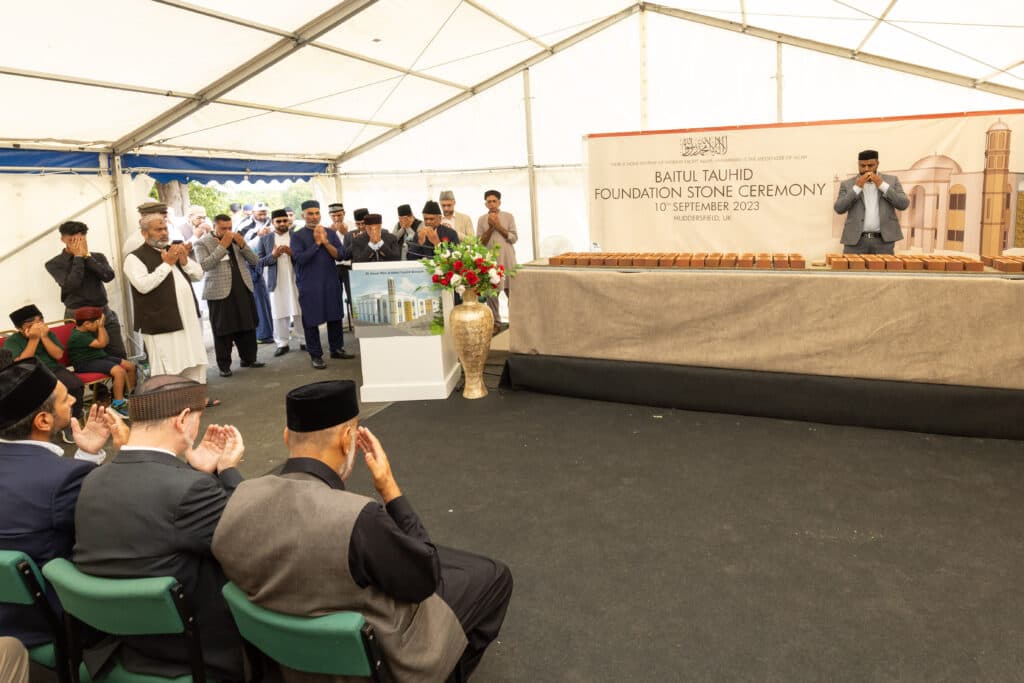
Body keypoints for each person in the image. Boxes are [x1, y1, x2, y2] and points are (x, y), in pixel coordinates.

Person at [212, 380, 513, 682]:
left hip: (284, 662)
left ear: (287, 436)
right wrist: (389, 489)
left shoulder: (238, 500)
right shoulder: (357, 518)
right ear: (346, 439)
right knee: (495, 576)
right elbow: (425, 577)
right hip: (375, 659)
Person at [73, 375, 246, 681]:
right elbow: (245, 535)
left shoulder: (92, 480)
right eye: (198, 417)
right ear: (181, 419)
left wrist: (197, 473)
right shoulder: (189, 489)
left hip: (115, 646)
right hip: (187, 654)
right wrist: (228, 472)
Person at [0, 356, 115, 648]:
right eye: (66, 400)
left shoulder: (59, 476)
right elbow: (108, 525)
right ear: (43, 420)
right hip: (44, 619)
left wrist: (86, 456)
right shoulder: (63, 479)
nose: (74, 401)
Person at [122, 203, 211, 388]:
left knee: (193, 358)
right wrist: (167, 264)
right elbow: (143, 286)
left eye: (165, 229)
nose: (164, 233)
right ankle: (171, 402)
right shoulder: (134, 258)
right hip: (160, 322)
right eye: (158, 230)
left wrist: (184, 261)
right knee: (168, 365)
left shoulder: (172, 249)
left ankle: (194, 397)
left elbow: (198, 274)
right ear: (145, 233)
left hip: (187, 319)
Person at [44, 220, 128, 359]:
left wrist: (87, 257)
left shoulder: (97, 257)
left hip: (103, 312)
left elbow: (108, 276)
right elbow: (72, 285)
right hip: (77, 316)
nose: (77, 243)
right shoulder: (54, 263)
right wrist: (77, 257)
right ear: (63, 239)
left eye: (81, 239)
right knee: (87, 357)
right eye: (72, 240)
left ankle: (125, 380)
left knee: (118, 355)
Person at [195, 215, 265, 378]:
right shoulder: (202, 242)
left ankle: (249, 359)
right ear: (214, 227)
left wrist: (242, 245)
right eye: (223, 228)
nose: (228, 232)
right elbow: (205, 265)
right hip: (219, 292)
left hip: (242, 287)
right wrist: (223, 246)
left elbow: (255, 261)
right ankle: (224, 365)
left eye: (229, 228)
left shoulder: (237, 239)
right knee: (223, 330)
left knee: (247, 325)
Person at [291, 200, 354, 369]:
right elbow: (300, 259)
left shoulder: (330, 233)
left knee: (335, 316)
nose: (314, 216)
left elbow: (340, 256)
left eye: (317, 213)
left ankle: (337, 348)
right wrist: (317, 243)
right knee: (311, 320)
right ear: (303, 215)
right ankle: (316, 355)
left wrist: (325, 242)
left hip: (330, 281)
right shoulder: (297, 236)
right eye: (310, 213)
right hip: (309, 284)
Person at [3, 304, 85, 429]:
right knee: (44, 395)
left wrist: (44, 337)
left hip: (54, 369)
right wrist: (34, 339)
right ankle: (53, 423)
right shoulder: (12, 341)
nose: (38, 326)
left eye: (40, 321)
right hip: (30, 373)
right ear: (19, 328)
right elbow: (21, 364)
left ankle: (72, 420)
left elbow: (58, 355)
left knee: (76, 385)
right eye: (31, 324)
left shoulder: (48, 333)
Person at [834, 149, 910, 255]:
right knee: (852, 271)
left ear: (877, 164)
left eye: (870, 165)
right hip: (854, 242)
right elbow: (839, 208)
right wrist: (857, 187)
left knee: (883, 271)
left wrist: (882, 185)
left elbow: (903, 204)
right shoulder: (847, 184)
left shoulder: (892, 181)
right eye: (862, 166)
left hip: (884, 242)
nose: (866, 169)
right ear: (858, 164)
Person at [67, 306, 137, 417]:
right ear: (87, 324)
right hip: (85, 363)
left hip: (98, 357)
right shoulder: (78, 336)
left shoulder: (88, 329)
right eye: (97, 322)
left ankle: (130, 396)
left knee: (130, 366)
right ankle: (117, 405)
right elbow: (102, 343)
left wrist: (99, 326)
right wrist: (101, 326)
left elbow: (105, 341)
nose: (99, 324)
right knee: (119, 372)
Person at [257, 209, 305, 357]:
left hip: (296, 279)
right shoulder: (265, 239)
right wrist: (273, 255)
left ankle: (304, 341)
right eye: (279, 221)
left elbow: (305, 258)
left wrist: (292, 253)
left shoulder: (297, 237)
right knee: (279, 313)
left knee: (300, 312)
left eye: (285, 221)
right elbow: (259, 262)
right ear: (272, 223)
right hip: (276, 281)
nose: (283, 224)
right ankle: (282, 343)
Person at [477, 190, 518, 335]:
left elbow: (513, 238)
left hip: (507, 260)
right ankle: (496, 323)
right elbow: (480, 242)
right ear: (485, 204)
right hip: (491, 262)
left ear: (499, 202)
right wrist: (491, 226)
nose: (492, 204)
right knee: (491, 294)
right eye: (489, 201)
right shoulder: (482, 219)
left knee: (511, 292)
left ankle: (516, 322)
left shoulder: (508, 216)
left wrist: (499, 225)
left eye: (494, 201)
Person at [236, 203, 275, 344]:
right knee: (259, 300)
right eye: (260, 213)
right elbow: (241, 246)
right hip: (253, 265)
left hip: (271, 262)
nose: (263, 216)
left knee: (269, 300)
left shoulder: (272, 222)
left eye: (265, 213)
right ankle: (263, 333)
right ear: (253, 212)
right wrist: (257, 236)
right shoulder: (243, 225)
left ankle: (272, 330)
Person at [328, 202, 354, 325]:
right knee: (335, 296)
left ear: (344, 213)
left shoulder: (353, 226)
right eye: (333, 216)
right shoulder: (327, 229)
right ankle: (338, 322)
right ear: (329, 216)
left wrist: (345, 234)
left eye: (339, 215)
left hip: (350, 266)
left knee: (352, 295)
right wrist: (330, 234)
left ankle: (356, 321)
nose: (336, 218)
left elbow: (356, 246)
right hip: (334, 267)